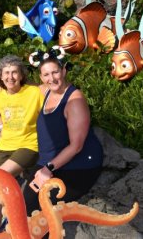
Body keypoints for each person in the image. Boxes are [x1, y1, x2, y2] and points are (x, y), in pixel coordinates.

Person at [23, 46, 103, 217]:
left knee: (39, 210)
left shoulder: (75, 101)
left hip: (77, 165)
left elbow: (76, 146)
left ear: (64, 70)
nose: (51, 78)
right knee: (24, 204)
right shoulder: (45, 91)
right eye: (46, 75)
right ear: (41, 77)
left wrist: (47, 169)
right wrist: (3, 85)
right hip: (50, 160)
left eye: (55, 72)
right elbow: (25, 86)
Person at [0, 55, 45, 234]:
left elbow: (53, 88)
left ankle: (10, 216)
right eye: (6, 73)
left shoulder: (34, 92)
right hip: (4, 144)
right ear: (0, 75)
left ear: (21, 75)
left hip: (28, 144)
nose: (10, 77)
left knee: (0, 177)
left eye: (14, 73)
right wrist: (0, 125)